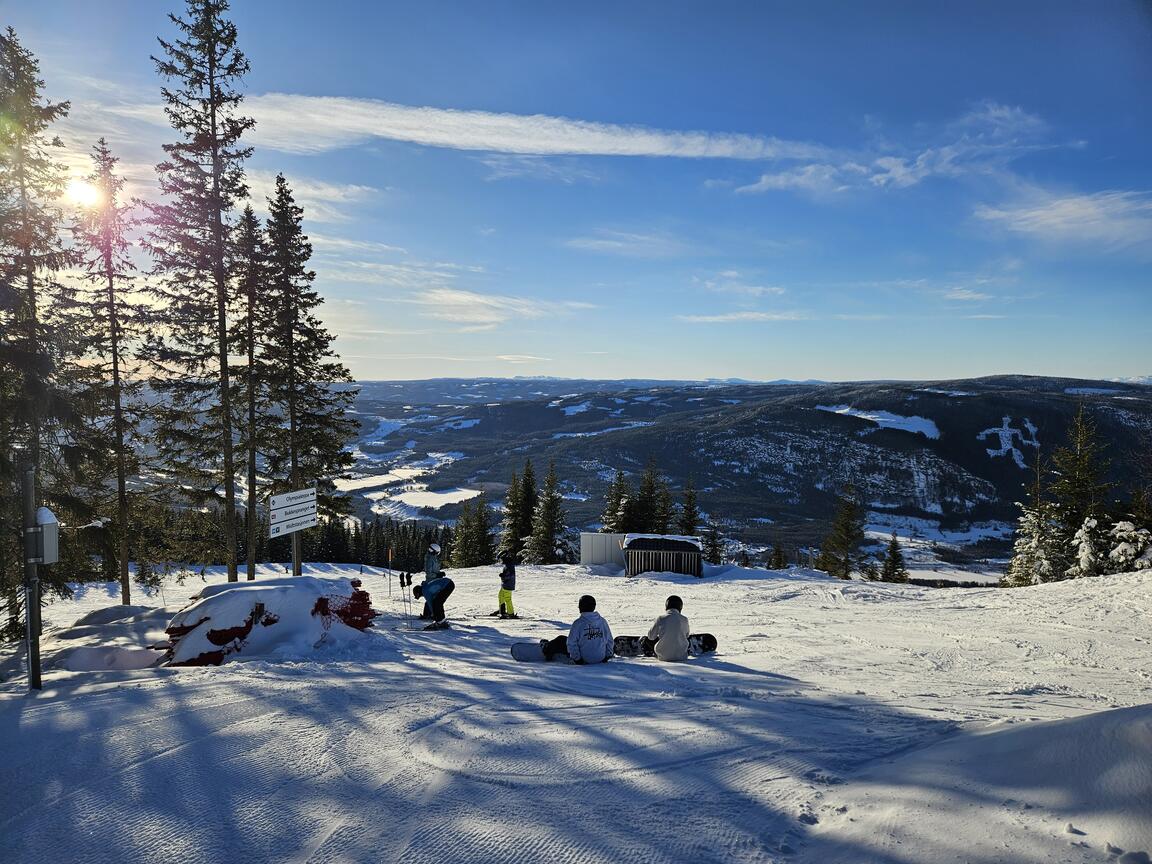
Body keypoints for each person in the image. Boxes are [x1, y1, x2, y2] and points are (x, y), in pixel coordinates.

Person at [540, 595, 613, 663]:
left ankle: (546, 649)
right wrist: (607, 656)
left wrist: (577, 659)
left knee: (561, 639)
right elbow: (610, 640)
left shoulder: (578, 623)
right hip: (600, 658)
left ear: (581, 607)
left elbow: (571, 643)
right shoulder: (602, 621)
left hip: (584, 659)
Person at [643, 595, 690, 661]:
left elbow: (651, 637)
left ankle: (647, 651)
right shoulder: (685, 619)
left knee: (647, 640)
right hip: (682, 657)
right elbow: (687, 635)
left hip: (663, 657)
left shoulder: (661, 618)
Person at [496, 554, 517, 618]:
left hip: (508, 585)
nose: (501, 561)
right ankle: (502, 611)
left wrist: (503, 575)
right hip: (505, 584)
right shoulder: (507, 564)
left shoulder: (510, 565)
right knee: (500, 596)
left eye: (502, 559)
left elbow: (511, 575)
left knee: (507, 598)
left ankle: (511, 613)